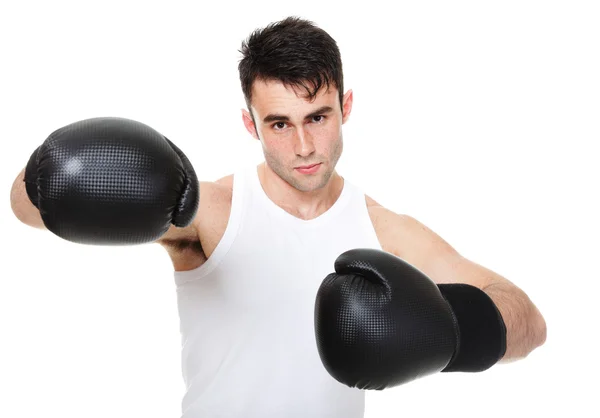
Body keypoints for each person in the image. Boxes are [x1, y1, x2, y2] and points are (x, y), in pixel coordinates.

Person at [10, 16, 546, 418]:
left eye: (318, 117)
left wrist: (449, 331)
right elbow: (26, 206)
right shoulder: (209, 213)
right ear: (251, 124)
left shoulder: (385, 232)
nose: (305, 145)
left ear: (347, 106)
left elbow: (530, 324)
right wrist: (98, 179)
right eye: (280, 124)